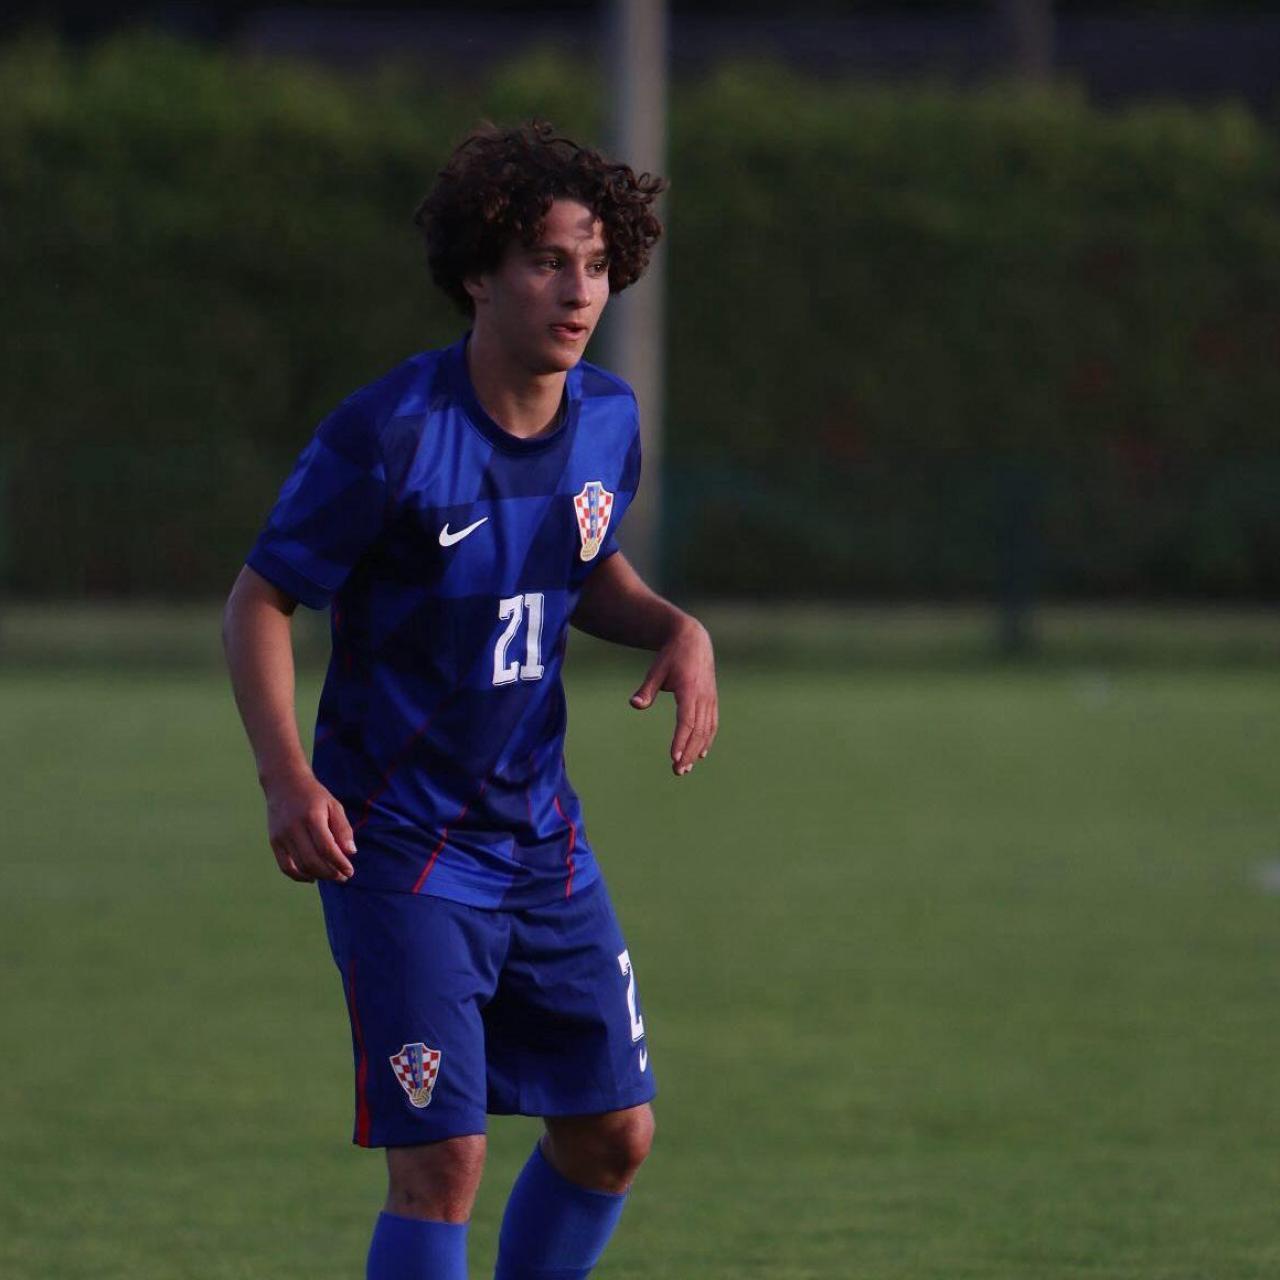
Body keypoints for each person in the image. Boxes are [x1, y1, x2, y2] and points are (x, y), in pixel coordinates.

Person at [222, 120, 718, 1280]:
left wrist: (673, 626)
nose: (579, 291)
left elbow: (578, 564)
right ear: (478, 274)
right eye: (547, 261)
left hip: (541, 840)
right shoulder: (390, 435)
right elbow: (260, 600)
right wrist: (286, 778)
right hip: (399, 844)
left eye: (595, 263)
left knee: (612, 1134)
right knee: (442, 1159)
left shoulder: (607, 419)